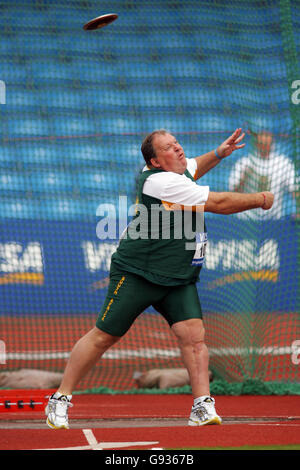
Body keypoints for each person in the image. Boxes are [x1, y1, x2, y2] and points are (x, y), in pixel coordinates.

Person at [45, 128, 274, 429]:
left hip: (177, 276)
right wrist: (260, 199)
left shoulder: (176, 172)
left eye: (177, 143)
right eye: (169, 148)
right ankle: (60, 399)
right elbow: (218, 204)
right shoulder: (161, 182)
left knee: (194, 338)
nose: (178, 149)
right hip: (139, 272)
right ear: (154, 161)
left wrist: (218, 153)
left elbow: (192, 167)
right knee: (104, 335)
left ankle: (202, 405)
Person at [228, 130, 298, 219]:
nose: (264, 145)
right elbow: (232, 194)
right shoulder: (244, 163)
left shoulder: (283, 163)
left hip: (275, 220)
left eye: (267, 142)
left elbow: (295, 190)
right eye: (262, 142)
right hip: (246, 220)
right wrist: (245, 178)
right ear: (256, 144)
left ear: (272, 143)